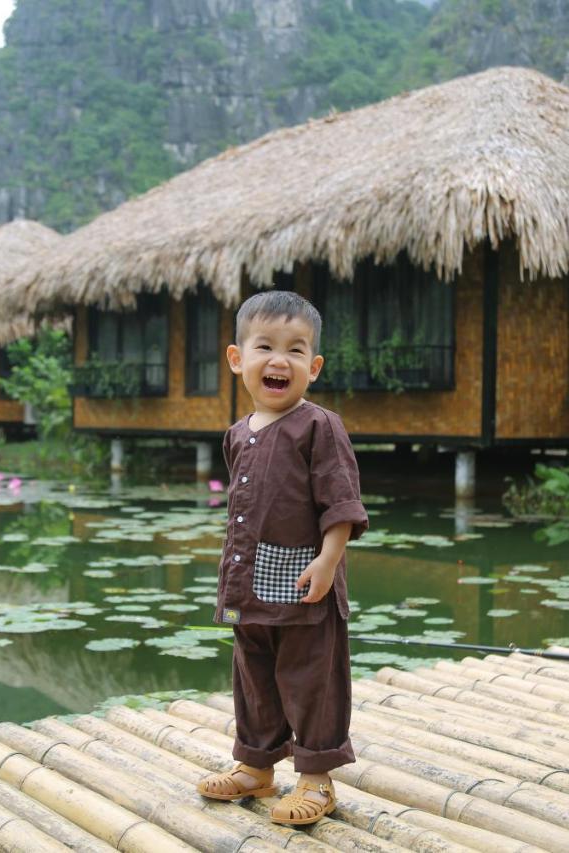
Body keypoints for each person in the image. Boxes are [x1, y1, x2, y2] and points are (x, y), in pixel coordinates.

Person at [195, 290, 368, 826]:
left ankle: (316, 779)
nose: (279, 360)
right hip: (247, 586)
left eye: (295, 351)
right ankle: (256, 764)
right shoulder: (236, 435)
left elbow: (340, 504)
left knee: (311, 678)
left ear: (312, 367)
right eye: (265, 346)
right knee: (254, 676)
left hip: (302, 583)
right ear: (236, 359)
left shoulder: (319, 426)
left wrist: (327, 561)